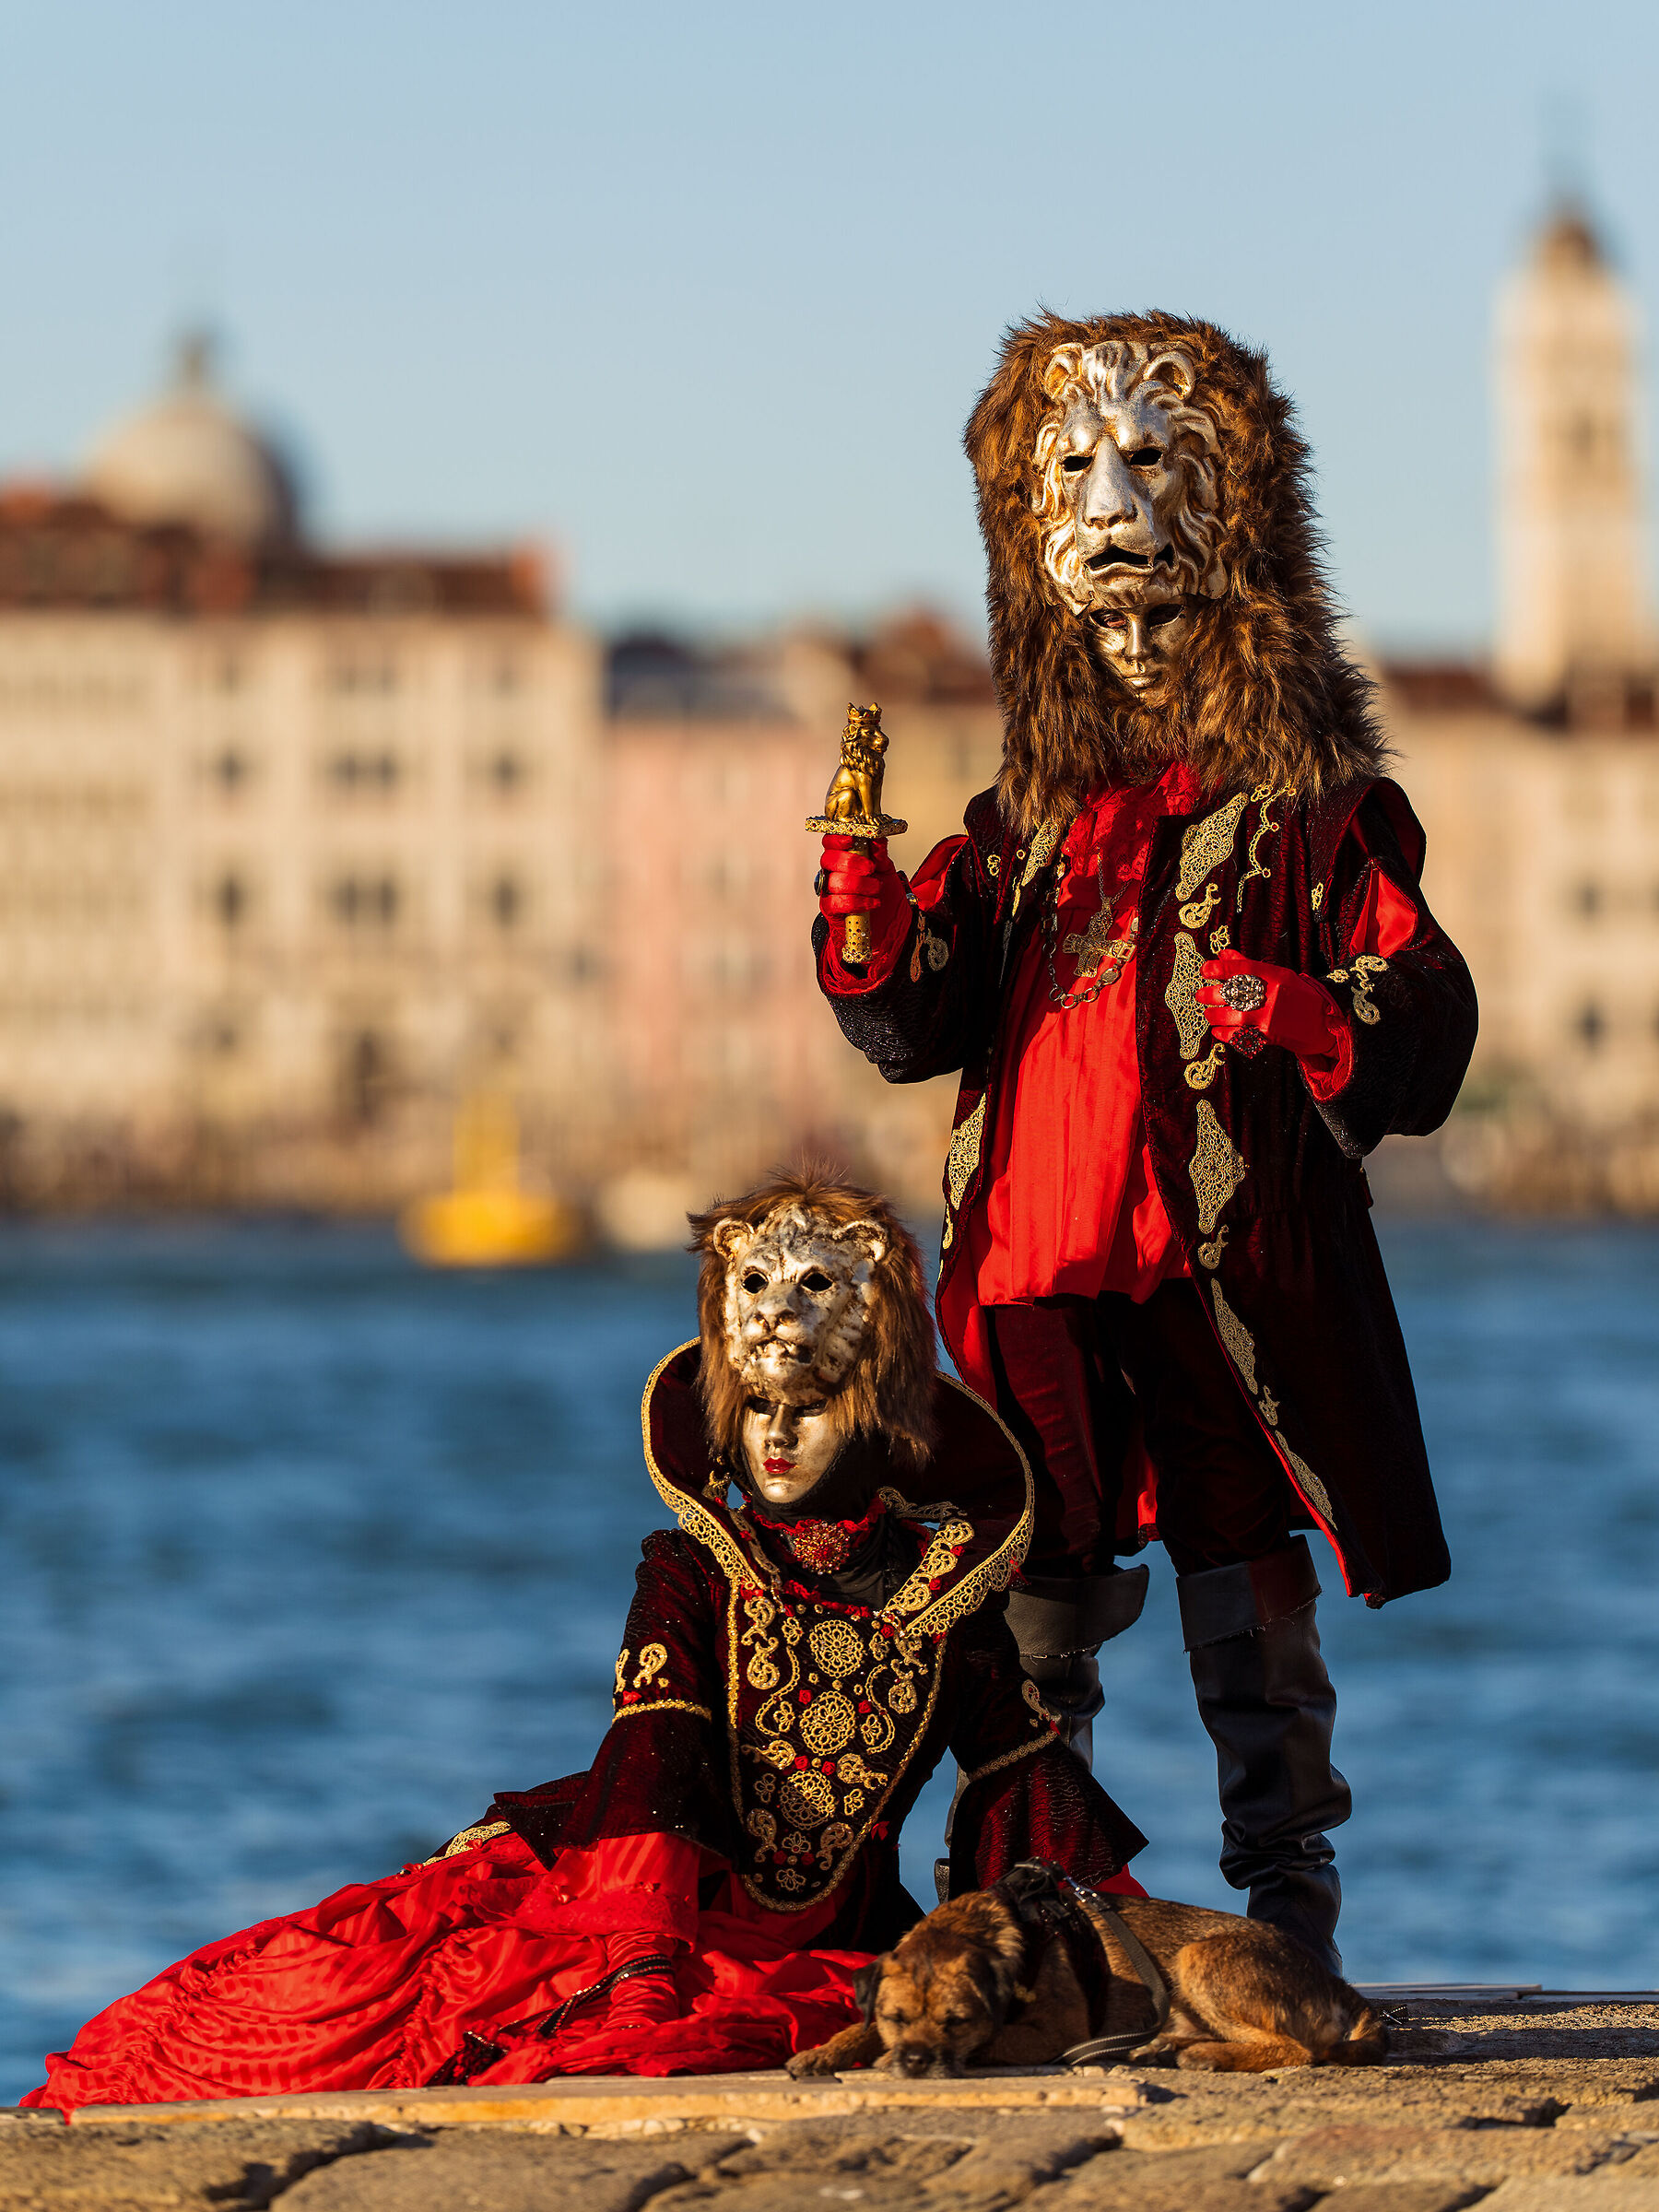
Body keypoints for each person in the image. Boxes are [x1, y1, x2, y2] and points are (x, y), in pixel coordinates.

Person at [814, 316, 1477, 1973]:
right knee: (1037, 1579)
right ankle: (1043, 1907)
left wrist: (1313, 1020)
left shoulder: (1316, 821)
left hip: (1222, 1260)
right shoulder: (1022, 822)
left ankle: (1289, 1911)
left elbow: (1428, 1019)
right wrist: (866, 916)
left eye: (1151, 480)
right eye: (1071, 489)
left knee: (1243, 1572)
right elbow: (919, 1024)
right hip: (1035, 1263)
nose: (1109, 524)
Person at [26, 1170, 1145, 2112]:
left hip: (828, 1940)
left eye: (804, 1413)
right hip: (627, 1904)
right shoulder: (694, 1567)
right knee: (323, 2007)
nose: (776, 1442)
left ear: (874, 1414)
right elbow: (658, 1750)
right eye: (755, 1412)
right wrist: (641, 1972)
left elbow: (1017, 1789)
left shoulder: (948, 1598)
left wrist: (1118, 1962)